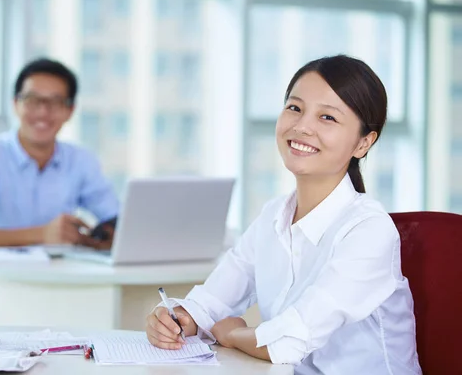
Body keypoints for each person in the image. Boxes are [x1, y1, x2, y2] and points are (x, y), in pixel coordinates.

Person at [145, 55, 420, 374]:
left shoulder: (369, 230)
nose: (302, 126)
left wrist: (232, 334)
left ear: (363, 143)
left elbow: (287, 341)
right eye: (295, 108)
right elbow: (215, 299)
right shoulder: (274, 215)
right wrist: (176, 319)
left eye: (327, 118)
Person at [0, 58, 119, 325]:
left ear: (70, 110)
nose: (43, 112)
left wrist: (90, 239)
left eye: (55, 102)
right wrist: (43, 234)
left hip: (60, 287)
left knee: (107, 321)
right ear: (16, 104)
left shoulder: (81, 161)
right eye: (32, 100)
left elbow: (117, 222)